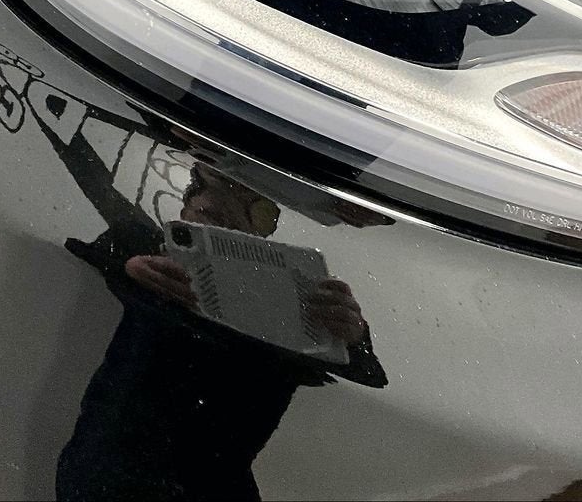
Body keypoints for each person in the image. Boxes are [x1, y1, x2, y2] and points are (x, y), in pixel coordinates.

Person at [58, 160, 385, 502]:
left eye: (247, 197)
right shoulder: (142, 245)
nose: (222, 201)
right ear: (187, 199)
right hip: (116, 472)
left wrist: (351, 335)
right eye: (212, 183)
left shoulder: (290, 299)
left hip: (193, 480)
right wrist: (129, 269)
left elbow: (364, 374)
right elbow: (86, 251)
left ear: (261, 229)